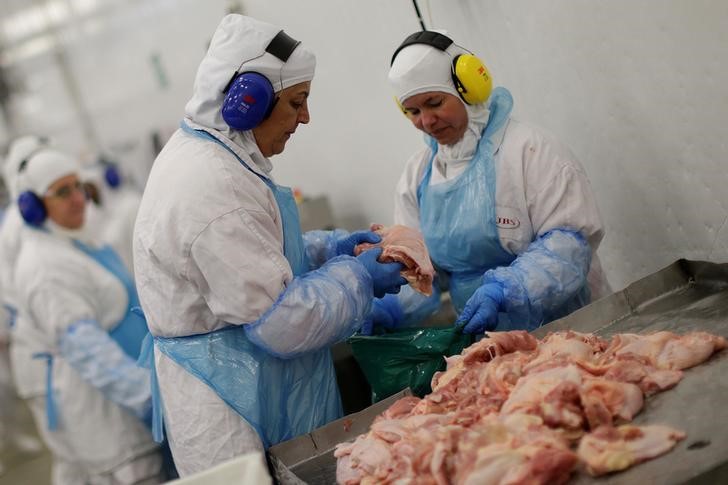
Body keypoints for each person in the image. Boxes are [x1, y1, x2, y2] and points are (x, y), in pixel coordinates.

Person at [132, 14, 407, 477]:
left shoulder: (218, 154)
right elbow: (282, 322)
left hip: (247, 387)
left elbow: (254, 252)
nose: (305, 118)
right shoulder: (209, 185)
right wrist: (358, 278)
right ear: (248, 102)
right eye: (297, 102)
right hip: (231, 412)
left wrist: (327, 250)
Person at [368, 30, 610, 335]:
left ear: (470, 88)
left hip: (573, 331)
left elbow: (569, 248)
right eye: (413, 111)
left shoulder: (530, 151)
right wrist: (389, 307)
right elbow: (420, 269)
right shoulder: (417, 176)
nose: (426, 122)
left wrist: (506, 290)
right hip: (489, 347)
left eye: (434, 102)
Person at [13, 148, 163, 484]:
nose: (78, 199)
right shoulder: (44, 267)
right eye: (62, 192)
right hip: (114, 421)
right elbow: (90, 353)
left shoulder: (75, 242)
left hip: (132, 405)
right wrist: (155, 399)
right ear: (34, 207)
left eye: (78, 186)